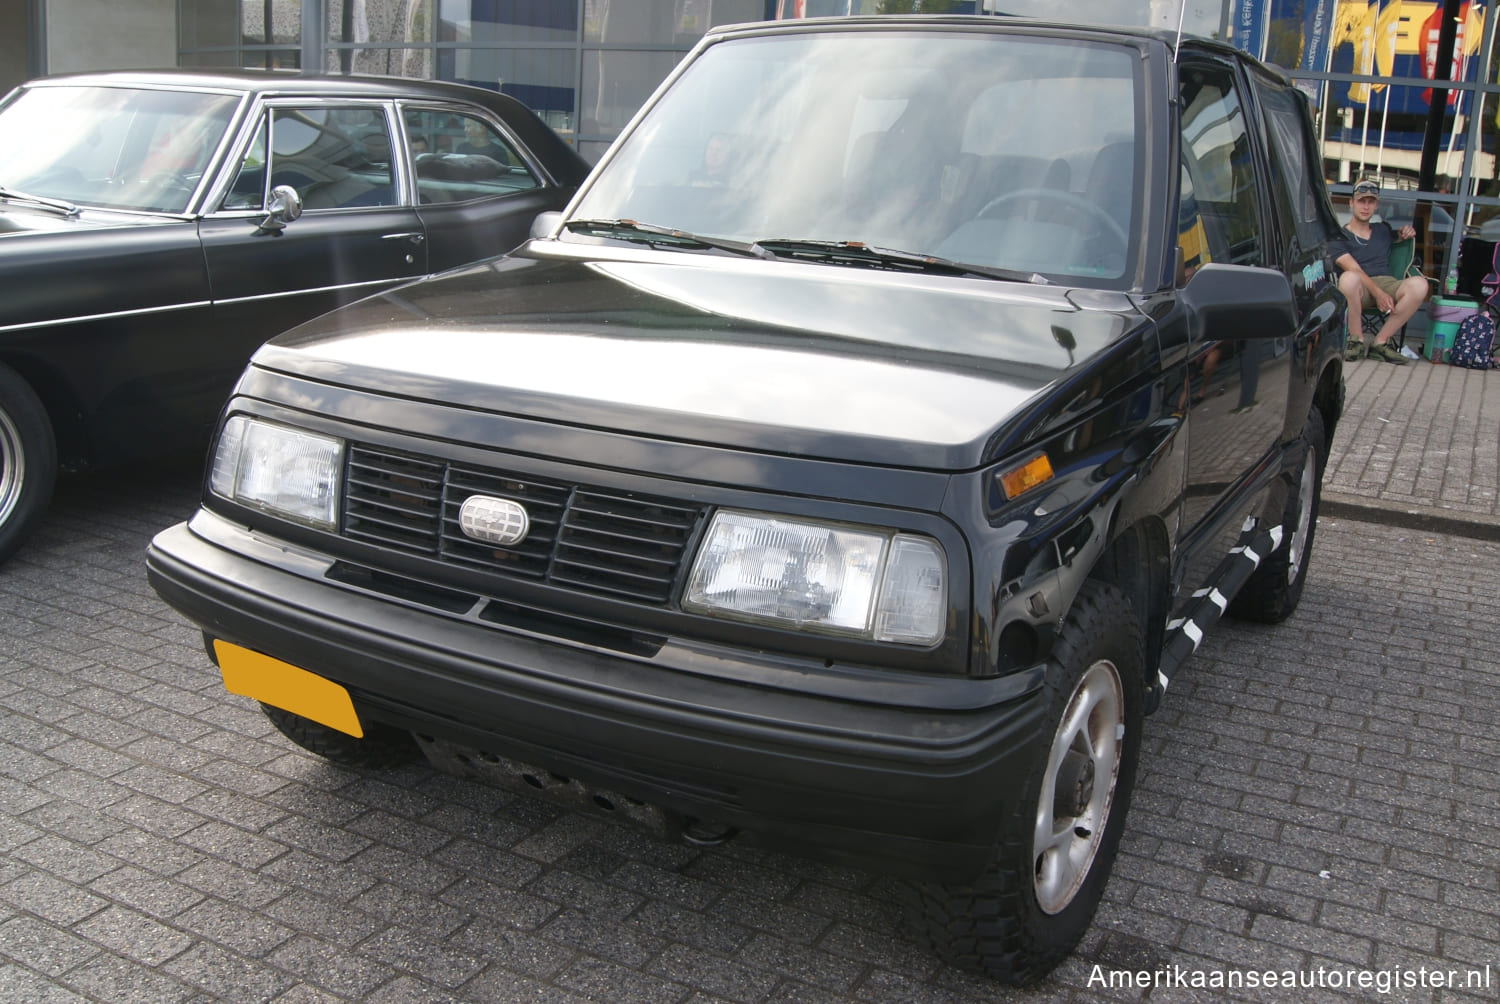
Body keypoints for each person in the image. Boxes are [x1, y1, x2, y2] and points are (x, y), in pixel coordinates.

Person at [1332, 178, 1425, 365]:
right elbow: (1354, 269)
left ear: (1376, 205)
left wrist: (1406, 232)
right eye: (1361, 201)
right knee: (1349, 278)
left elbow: (1399, 238)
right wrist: (1378, 293)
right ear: (1351, 203)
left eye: (1371, 202)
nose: (1366, 206)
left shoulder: (1382, 230)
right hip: (1360, 288)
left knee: (1420, 285)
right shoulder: (1337, 237)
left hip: (1387, 282)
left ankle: (1380, 343)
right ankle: (1355, 341)